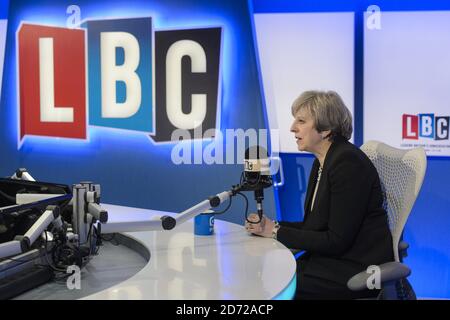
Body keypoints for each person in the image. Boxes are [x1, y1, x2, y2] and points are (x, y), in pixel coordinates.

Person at [245, 90, 394, 300]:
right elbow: (313, 227)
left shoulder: (347, 163)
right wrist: (269, 226)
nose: (292, 128)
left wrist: (276, 231)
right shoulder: (323, 160)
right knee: (268, 274)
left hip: (357, 266)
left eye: (301, 121)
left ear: (325, 129)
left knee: (278, 286)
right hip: (332, 260)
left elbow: (335, 240)